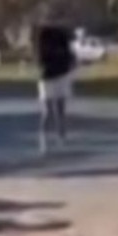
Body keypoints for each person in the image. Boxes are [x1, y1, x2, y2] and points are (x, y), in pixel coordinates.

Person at [34, 21, 75, 154]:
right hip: (47, 77)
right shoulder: (42, 35)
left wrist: (69, 64)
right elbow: (40, 58)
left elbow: (69, 53)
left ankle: (61, 139)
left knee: (61, 110)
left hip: (62, 75)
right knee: (47, 112)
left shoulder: (63, 34)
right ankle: (43, 139)